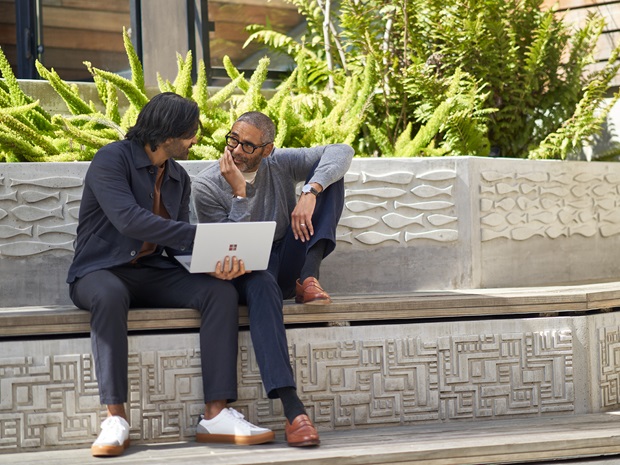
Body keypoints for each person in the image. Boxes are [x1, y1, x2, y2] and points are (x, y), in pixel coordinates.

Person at [66, 94, 275, 458]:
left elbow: (176, 244)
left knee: (219, 292)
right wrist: (199, 236)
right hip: (99, 269)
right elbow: (129, 219)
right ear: (167, 135)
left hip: (149, 271)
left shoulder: (178, 176)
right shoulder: (111, 160)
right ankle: (115, 418)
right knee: (110, 295)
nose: (196, 140)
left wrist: (214, 260)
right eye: (191, 133)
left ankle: (216, 414)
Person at [192, 111, 354, 447]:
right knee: (262, 281)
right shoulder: (207, 184)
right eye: (233, 139)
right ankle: (294, 412)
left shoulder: (278, 163)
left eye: (248, 146)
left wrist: (309, 191)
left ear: (267, 150)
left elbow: (342, 150)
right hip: (243, 273)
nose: (236, 150)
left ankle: (308, 277)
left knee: (329, 181)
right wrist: (239, 194)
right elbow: (225, 249)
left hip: (284, 258)